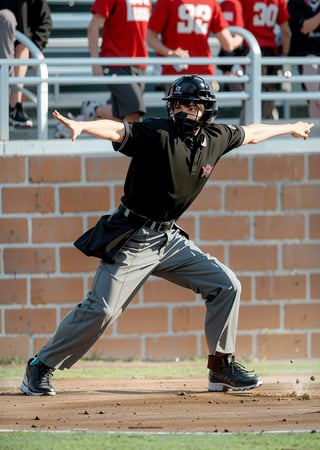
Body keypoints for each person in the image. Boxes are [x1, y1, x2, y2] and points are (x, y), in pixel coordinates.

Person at [20, 75, 314, 397]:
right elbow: (119, 130)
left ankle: (221, 367)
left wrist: (289, 128)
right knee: (101, 309)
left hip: (169, 239)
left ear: (206, 111)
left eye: (192, 105)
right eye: (178, 104)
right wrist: (83, 126)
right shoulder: (158, 132)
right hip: (134, 238)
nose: (184, 111)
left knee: (227, 285)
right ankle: (40, 366)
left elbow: (253, 134)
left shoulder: (216, 137)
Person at [146, 0, 243, 92]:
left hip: (178, 71)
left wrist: (170, 53)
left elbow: (150, 37)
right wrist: (242, 36)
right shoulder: (210, 2)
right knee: (200, 108)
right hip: (197, 72)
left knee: (182, 108)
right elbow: (229, 45)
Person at [81, 0, 152, 122]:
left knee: (122, 116)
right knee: (134, 112)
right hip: (116, 62)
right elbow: (93, 27)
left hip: (140, 63)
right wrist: (95, 61)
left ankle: (92, 113)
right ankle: (95, 110)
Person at [0, 1, 52, 128]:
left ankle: (14, 105)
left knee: (24, 44)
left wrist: (37, 49)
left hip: (15, 52)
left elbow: (45, 21)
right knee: (7, 18)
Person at [239, 0, 291, 120]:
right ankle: (264, 124)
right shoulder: (279, 1)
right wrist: (284, 54)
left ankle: (249, 128)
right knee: (268, 93)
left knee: (249, 94)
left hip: (249, 48)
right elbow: (286, 32)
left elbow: (237, 24)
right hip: (269, 51)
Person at [287, 0, 320, 118]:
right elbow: (304, 27)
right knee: (315, 95)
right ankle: (316, 132)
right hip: (306, 55)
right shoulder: (295, 3)